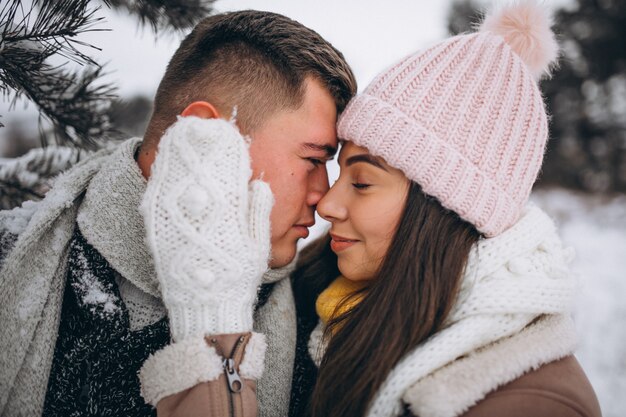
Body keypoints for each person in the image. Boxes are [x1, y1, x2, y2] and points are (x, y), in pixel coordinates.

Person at [0, 10, 355, 417]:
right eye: (313, 159)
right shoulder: (12, 263)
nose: (324, 197)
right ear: (202, 134)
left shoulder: (323, 326)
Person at [289, 2, 602, 417]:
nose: (328, 204)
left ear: (443, 211)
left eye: (361, 183)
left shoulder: (528, 401)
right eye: (338, 173)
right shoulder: (316, 302)